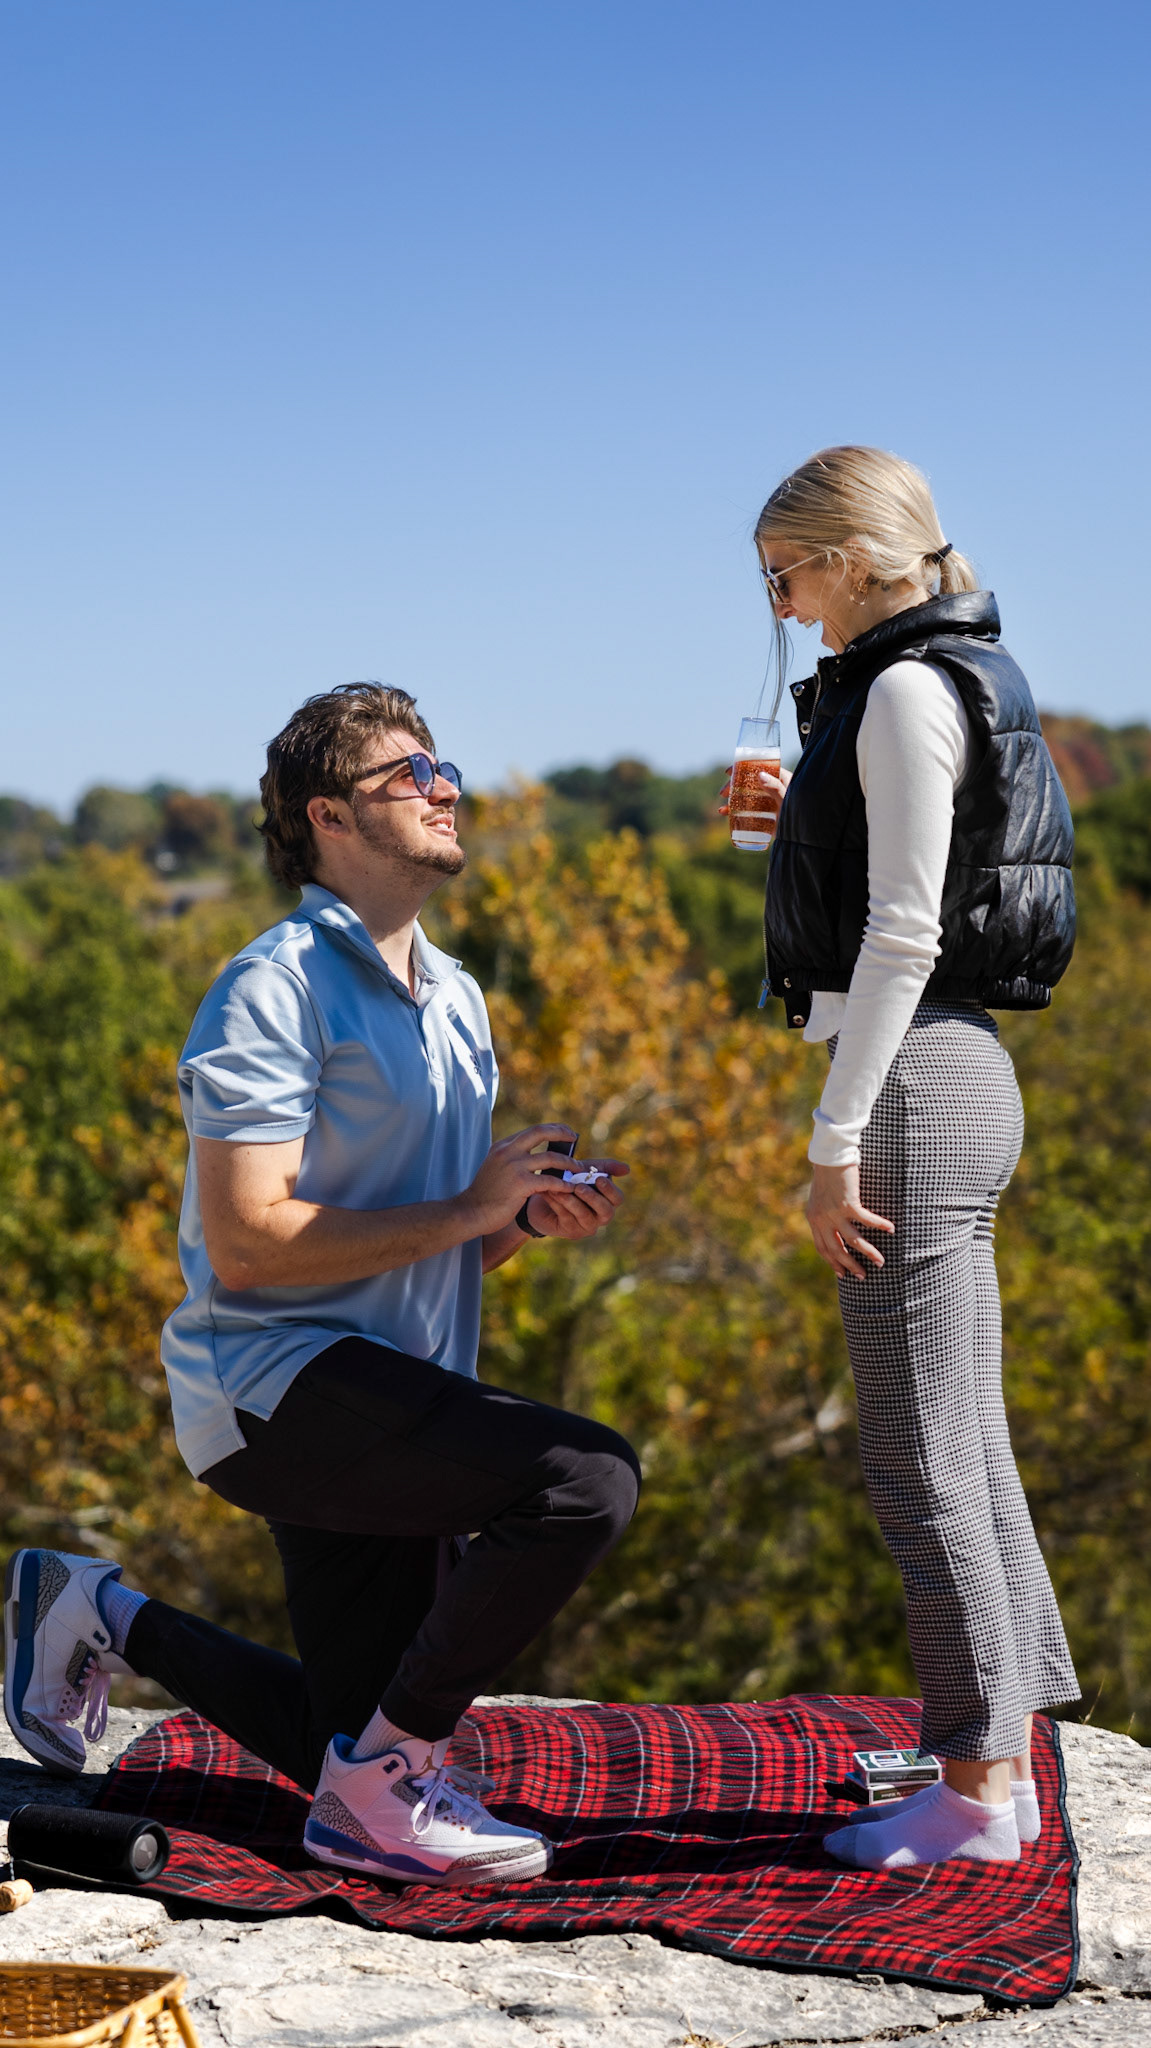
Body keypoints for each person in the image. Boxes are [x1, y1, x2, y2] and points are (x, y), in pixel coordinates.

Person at [4, 681, 640, 1888]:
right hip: (272, 1391)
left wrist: (512, 1222)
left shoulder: (456, 998)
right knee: (584, 1478)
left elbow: (427, 1241)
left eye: (443, 767)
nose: (443, 788)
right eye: (409, 774)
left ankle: (96, 1608)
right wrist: (470, 1207)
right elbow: (250, 1242)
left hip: (391, 1392)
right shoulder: (273, 985)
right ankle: (388, 1778)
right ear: (329, 816)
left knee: (335, 1737)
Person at [748, 447, 1079, 1871]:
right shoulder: (955, 673)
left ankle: (974, 1791)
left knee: (915, 1452)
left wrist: (832, 1141)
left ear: (851, 557)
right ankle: (1004, 1753)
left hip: (905, 1086)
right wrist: (789, 830)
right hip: (958, 1073)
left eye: (784, 575)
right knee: (963, 1440)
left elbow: (901, 934)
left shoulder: (896, 690)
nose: (780, 606)